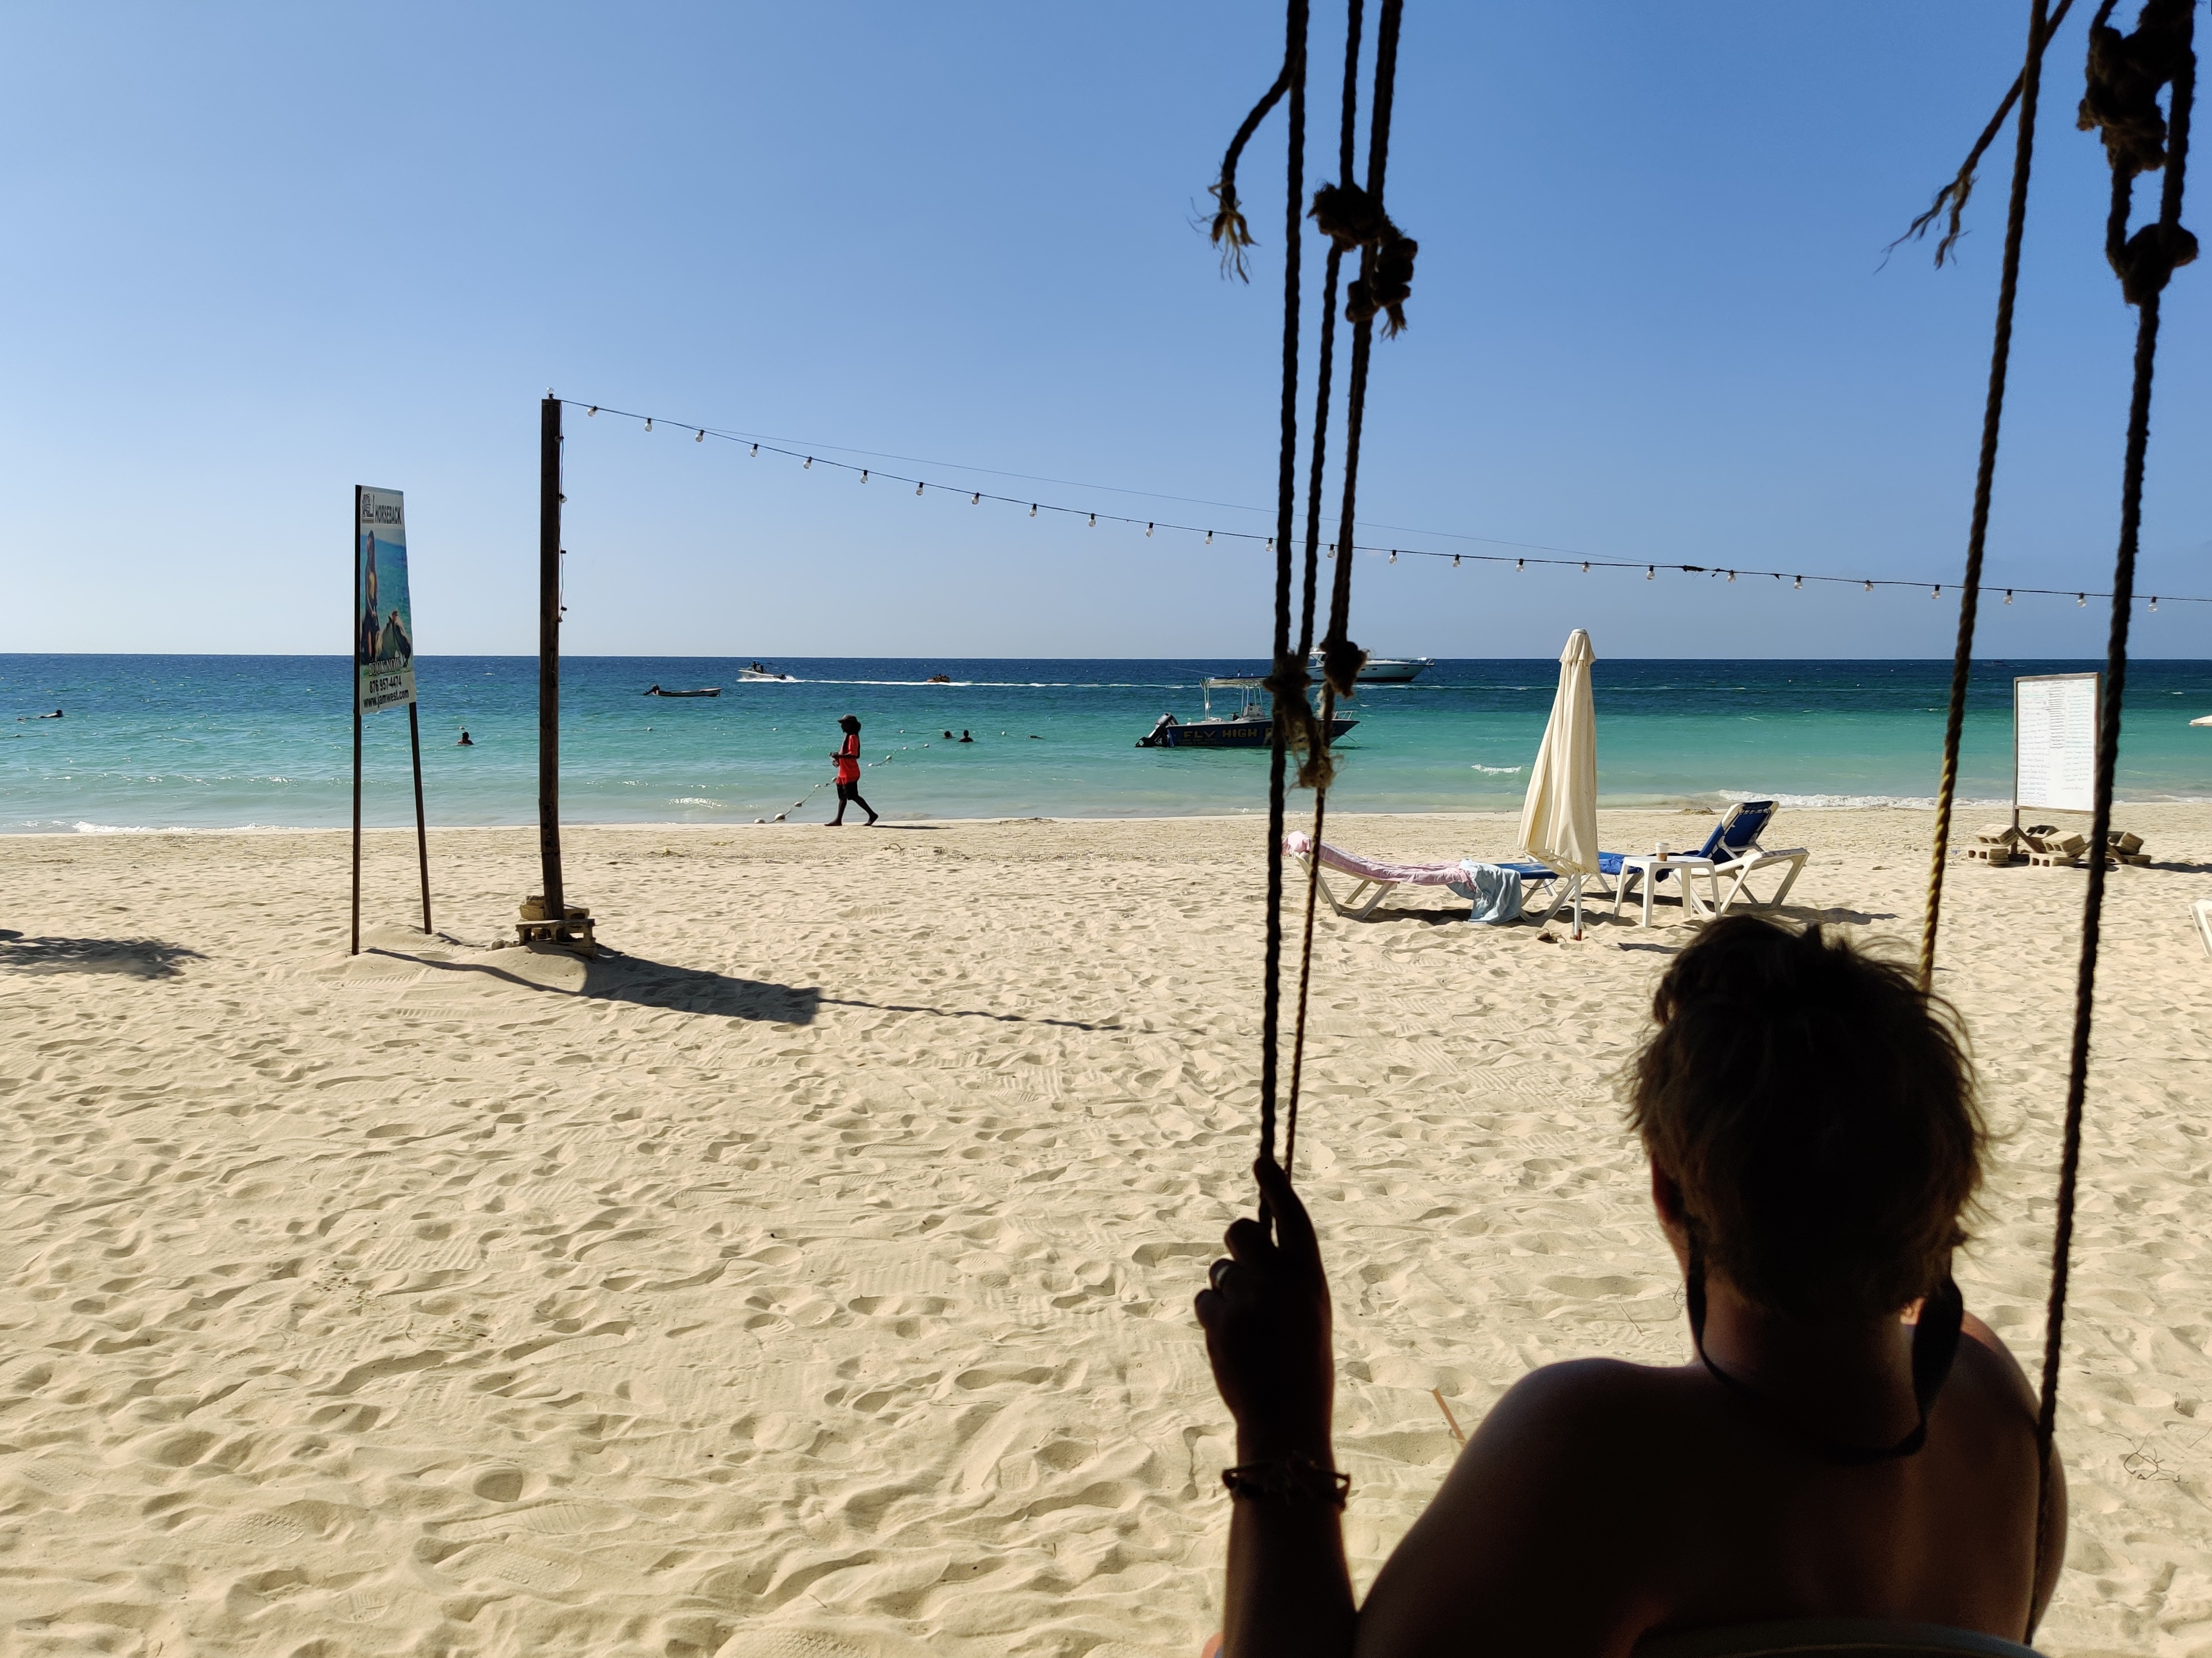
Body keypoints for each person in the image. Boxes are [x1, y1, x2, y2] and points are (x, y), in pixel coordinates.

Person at [1195, 916, 2061, 1657]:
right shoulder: (1998, 1406)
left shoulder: (1596, 1446)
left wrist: (1282, 1426)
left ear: (1666, 1192)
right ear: (1944, 1186)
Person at [828, 713, 877, 826]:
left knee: (853, 796)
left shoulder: (853, 737)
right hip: (843, 772)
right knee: (842, 797)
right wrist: (838, 759)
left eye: (844, 724)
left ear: (851, 725)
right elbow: (848, 754)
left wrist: (839, 756)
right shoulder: (848, 737)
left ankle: (872, 815)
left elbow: (854, 755)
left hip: (850, 772)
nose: (842, 726)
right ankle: (838, 820)